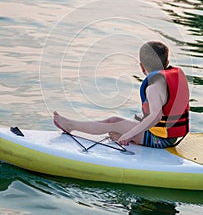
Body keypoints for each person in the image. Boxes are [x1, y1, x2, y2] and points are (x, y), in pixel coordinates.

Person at [53, 41, 189, 148]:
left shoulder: (153, 88)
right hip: (170, 137)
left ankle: (70, 125)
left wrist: (129, 135)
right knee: (115, 125)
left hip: (161, 140)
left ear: (142, 67)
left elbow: (156, 116)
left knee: (114, 123)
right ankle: (75, 125)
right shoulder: (172, 77)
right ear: (167, 63)